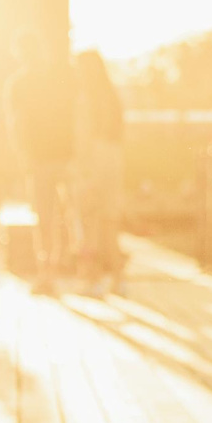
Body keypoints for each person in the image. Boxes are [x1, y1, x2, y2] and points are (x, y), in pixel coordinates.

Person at [4, 32, 76, 294]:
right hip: (52, 158)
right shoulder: (54, 79)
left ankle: (51, 272)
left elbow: (16, 125)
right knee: (56, 217)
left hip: (49, 159)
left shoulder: (20, 84)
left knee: (47, 219)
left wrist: (22, 155)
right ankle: (54, 271)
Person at [73, 50, 127, 295]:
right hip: (113, 160)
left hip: (94, 162)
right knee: (109, 223)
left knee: (89, 223)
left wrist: (83, 170)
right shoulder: (111, 97)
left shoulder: (88, 99)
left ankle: (92, 280)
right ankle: (117, 279)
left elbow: (85, 136)